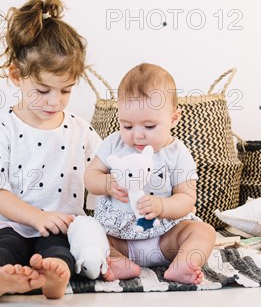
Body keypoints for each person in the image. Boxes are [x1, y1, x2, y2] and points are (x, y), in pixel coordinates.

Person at [0, 0, 101, 303]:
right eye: (43, 90)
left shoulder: (81, 131)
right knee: (1, 247)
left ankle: (55, 279)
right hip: (8, 223)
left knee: (59, 250)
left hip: (58, 227)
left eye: (65, 90)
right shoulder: (1, 128)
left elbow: (99, 174)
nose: (55, 101)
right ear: (16, 75)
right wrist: (35, 216)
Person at [85, 63, 216, 285]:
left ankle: (183, 263)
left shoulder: (177, 153)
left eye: (149, 126)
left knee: (204, 231)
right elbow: (90, 177)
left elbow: (187, 197)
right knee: (89, 234)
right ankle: (117, 261)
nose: (137, 135)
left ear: (174, 118)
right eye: (127, 126)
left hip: (165, 237)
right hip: (118, 237)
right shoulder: (112, 144)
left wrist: (162, 207)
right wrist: (107, 183)